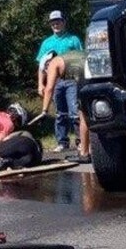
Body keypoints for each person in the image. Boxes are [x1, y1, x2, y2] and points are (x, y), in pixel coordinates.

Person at [35, 10, 83, 152]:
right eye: (53, 22)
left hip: (72, 79)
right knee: (60, 113)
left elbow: (82, 58)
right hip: (54, 81)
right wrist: (40, 83)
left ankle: (80, 141)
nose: (56, 24)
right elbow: (41, 65)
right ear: (50, 25)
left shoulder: (73, 39)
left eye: (58, 21)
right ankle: (62, 142)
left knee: (75, 111)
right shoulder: (47, 43)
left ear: (64, 22)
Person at [39, 50, 92, 164]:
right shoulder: (65, 58)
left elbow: (49, 88)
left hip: (87, 74)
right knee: (92, 113)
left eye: (46, 71)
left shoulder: (53, 63)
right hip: (96, 68)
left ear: (47, 64)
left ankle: (85, 153)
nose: (47, 73)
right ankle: (90, 149)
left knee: (83, 115)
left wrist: (44, 111)